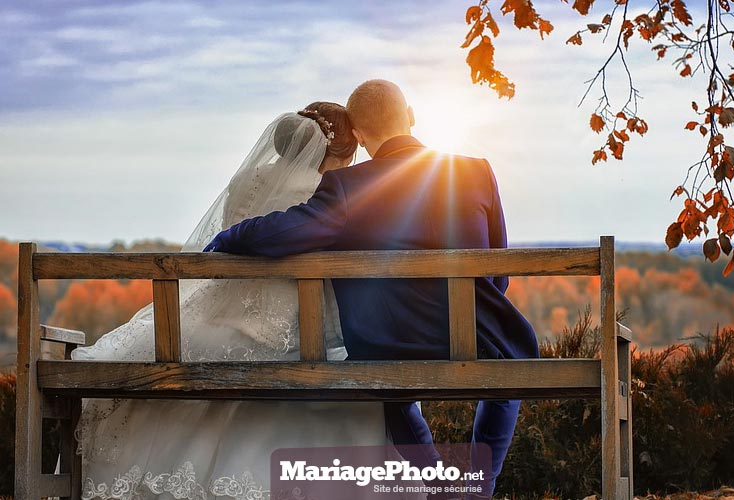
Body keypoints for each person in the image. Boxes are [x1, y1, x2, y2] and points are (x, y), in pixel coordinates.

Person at [204, 79, 541, 499]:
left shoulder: (348, 186)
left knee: (390, 392)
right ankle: (478, 488)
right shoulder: (477, 172)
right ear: (412, 116)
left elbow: (286, 231)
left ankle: (441, 485)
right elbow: (497, 269)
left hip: (393, 342)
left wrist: (230, 237)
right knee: (506, 373)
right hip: (478, 336)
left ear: (360, 138)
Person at [71, 103, 394, 500]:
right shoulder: (319, 190)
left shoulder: (246, 180)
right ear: (338, 150)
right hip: (282, 328)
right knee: (356, 396)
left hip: (220, 312)